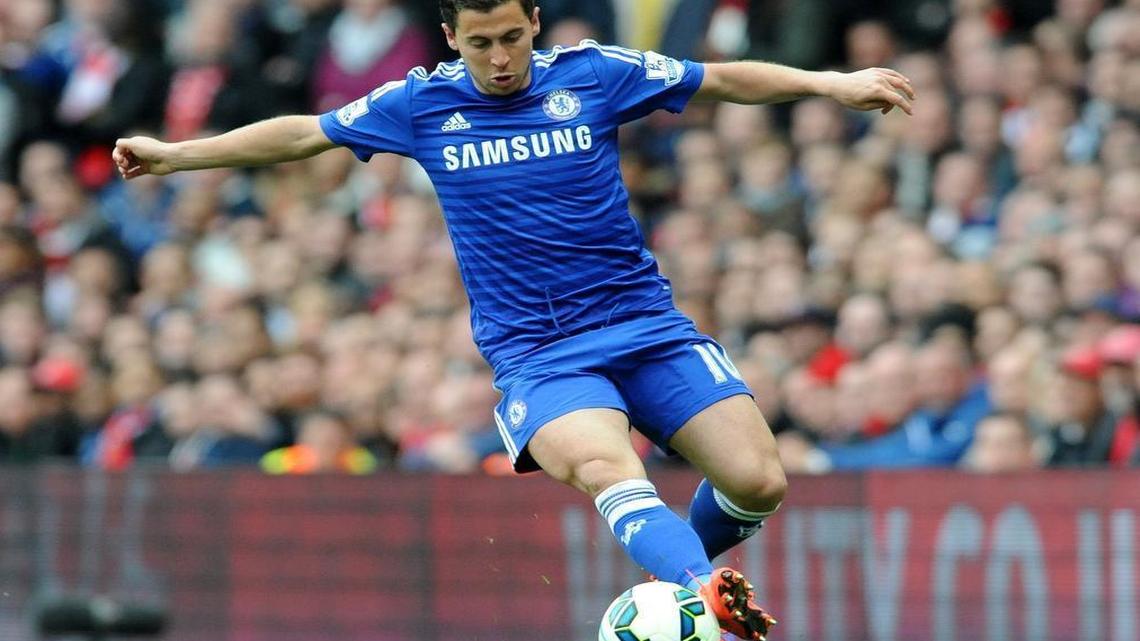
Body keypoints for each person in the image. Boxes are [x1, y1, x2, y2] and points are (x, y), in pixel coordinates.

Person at [111, 1, 915, 637]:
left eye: (509, 38)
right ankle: (699, 594)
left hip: (645, 324)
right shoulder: (421, 103)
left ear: (533, 22)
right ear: (449, 38)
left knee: (757, 480)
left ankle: (676, 580)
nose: (499, 60)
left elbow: (720, 79)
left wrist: (830, 83)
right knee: (610, 469)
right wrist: (179, 155)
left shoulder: (594, 74)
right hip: (541, 354)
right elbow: (304, 135)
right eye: (479, 43)